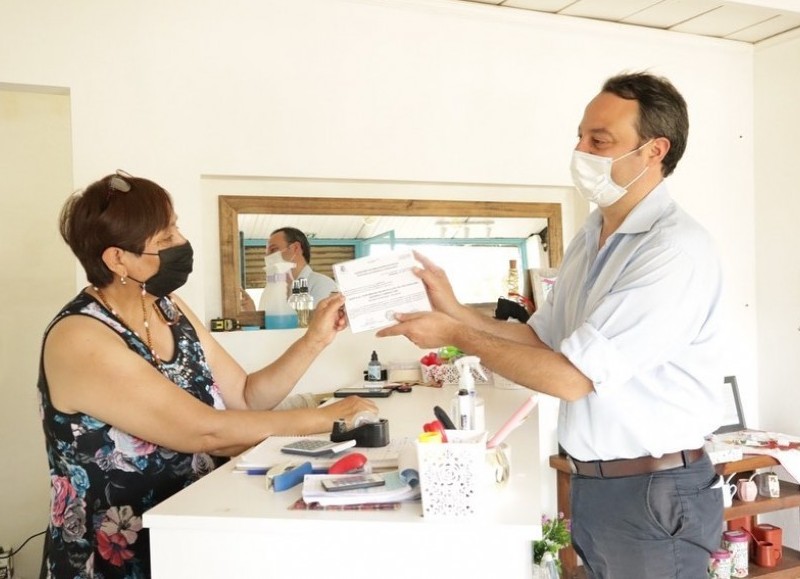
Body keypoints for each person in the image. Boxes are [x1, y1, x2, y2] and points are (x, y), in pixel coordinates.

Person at [378, 72, 725, 578]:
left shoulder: (672, 249)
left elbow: (570, 377)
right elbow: (540, 338)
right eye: (580, 136)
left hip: (656, 490)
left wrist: (455, 335)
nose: (581, 150)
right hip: (596, 485)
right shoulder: (594, 233)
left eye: (599, 141)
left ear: (655, 150)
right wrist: (453, 308)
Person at [38, 171, 377, 578]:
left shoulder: (169, 308)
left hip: (188, 536)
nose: (181, 242)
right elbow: (207, 431)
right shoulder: (80, 337)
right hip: (118, 557)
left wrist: (315, 339)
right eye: (165, 239)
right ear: (117, 259)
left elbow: (248, 397)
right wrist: (326, 417)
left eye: (175, 226)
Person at [257, 226, 338, 310]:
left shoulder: (322, 284)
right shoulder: (275, 290)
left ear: (296, 248)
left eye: (273, 249)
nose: (267, 257)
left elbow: (317, 321)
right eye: (266, 253)